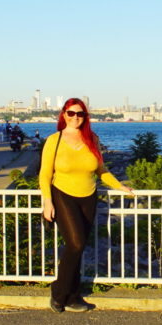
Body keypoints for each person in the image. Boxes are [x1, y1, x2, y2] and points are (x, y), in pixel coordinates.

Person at [40, 98, 134, 313]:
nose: (75, 117)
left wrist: (120, 187)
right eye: (71, 113)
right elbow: (45, 174)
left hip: (88, 196)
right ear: (64, 115)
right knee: (75, 243)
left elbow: (101, 170)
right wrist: (47, 201)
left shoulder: (92, 139)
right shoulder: (54, 140)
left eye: (80, 114)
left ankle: (73, 296)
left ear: (85, 117)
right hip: (62, 194)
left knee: (79, 247)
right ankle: (59, 291)